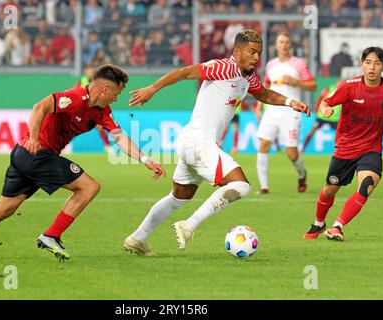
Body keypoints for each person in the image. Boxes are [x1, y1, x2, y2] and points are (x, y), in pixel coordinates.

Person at [0, 64, 166, 261]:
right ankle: (51, 236)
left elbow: (120, 138)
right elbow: (40, 107)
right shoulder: (75, 98)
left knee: (3, 210)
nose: (116, 98)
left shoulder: (102, 111)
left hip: (27, 156)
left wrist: (145, 159)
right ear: (106, 89)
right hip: (37, 154)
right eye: (116, 93)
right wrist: (34, 138)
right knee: (89, 187)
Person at [123, 29, 310, 256]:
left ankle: (137, 238)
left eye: (259, 53)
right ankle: (189, 225)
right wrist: (153, 88)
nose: (256, 58)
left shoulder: (247, 77)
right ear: (237, 51)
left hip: (192, 142)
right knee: (241, 186)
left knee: (178, 198)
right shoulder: (223, 67)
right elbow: (184, 72)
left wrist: (291, 102)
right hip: (199, 142)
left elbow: (265, 95)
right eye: (251, 52)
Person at [304, 47, 383, 241]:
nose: (372, 67)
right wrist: (325, 109)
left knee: (367, 185)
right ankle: (318, 224)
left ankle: (337, 226)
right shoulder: (349, 87)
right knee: (329, 190)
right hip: (345, 149)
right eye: (368, 62)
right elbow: (327, 102)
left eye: (376, 63)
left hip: (371, 150)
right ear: (361, 64)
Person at [255, 32, 316, 195]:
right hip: (272, 110)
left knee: (291, 153)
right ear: (276, 45)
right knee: (263, 146)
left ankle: (302, 174)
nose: (283, 45)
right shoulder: (270, 65)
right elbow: (266, 86)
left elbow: (312, 85)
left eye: (286, 42)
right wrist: (259, 106)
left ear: (290, 45)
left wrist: (296, 81)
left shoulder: (299, 64)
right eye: (281, 42)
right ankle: (264, 187)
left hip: (291, 112)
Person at [75, 66, 112, 153]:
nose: (90, 72)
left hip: (93, 110)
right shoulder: (82, 81)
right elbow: (74, 91)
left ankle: (107, 147)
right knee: (73, 128)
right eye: (88, 71)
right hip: (82, 110)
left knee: (100, 127)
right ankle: (66, 146)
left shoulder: (97, 82)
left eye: (91, 71)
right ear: (86, 71)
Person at [300, 80, 344, 154]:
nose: (340, 85)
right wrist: (317, 111)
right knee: (311, 132)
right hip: (322, 116)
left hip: (335, 118)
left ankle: (341, 151)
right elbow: (320, 99)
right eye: (339, 83)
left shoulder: (344, 92)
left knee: (341, 136)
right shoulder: (328, 90)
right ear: (336, 83)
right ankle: (302, 149)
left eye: (342, 84)